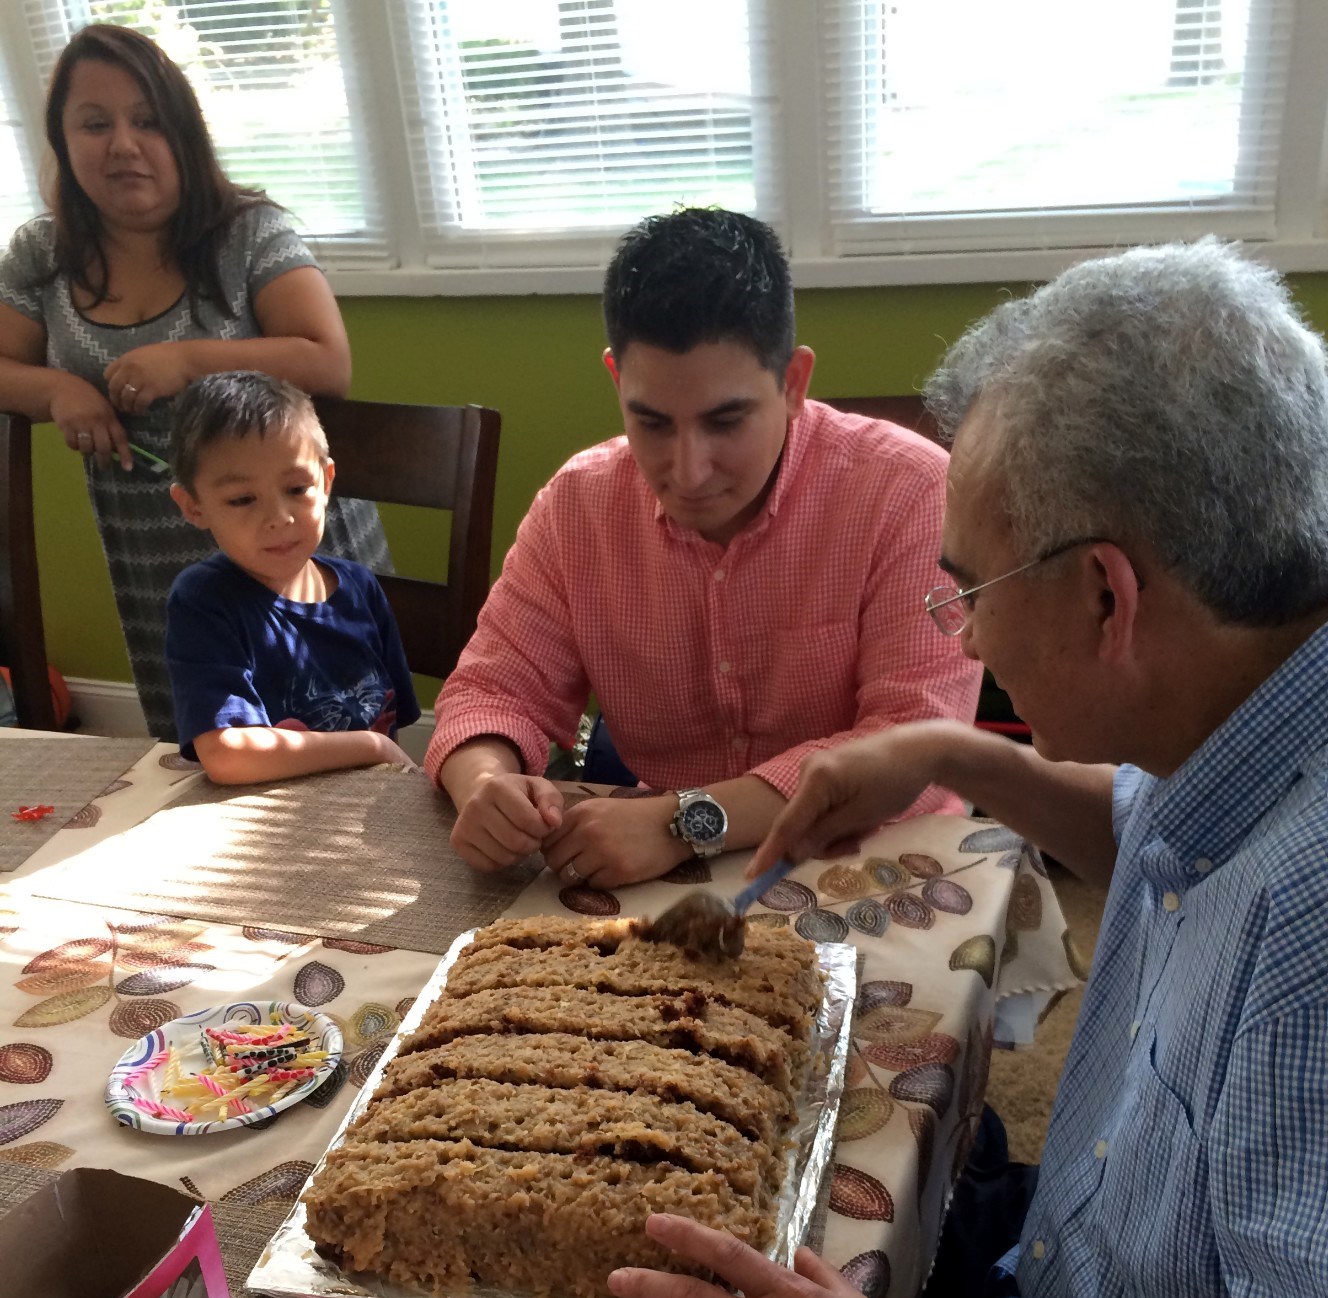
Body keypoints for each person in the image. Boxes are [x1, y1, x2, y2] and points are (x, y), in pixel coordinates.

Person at [607, 238, 1328, 1298]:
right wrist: (974, 756)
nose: (963, 630)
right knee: (829, 1216)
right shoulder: (1266, 693)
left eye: (968, 591)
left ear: (1103, 596)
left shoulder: (1325, 929)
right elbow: (1161, 823)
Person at [427, 206, 979, 889]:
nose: (687, 472)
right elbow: (493, 688)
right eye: (651, 422)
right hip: (656, 870)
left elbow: (917, 746)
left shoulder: (911, 492)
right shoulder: (578, 506)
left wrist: (684, 822)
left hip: (882, 855)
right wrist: (485, 781)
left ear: (794, 383)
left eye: (726, 421)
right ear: (615, 383)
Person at [0, 22, 388, 741]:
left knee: (328, 736)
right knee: (208, 746)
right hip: (155, 559)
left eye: (147, 121)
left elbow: (326, 359)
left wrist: (188, 362)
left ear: (184, 133)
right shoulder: (40, 253)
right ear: (61, 139)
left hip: (290, 541)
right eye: (95, 123)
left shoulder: (250, 232)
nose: (122, 144)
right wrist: (57, 391)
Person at [165, 371, 418, 785]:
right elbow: (226, 754)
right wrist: (369, 747)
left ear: (326, 481)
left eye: (297, 488)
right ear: (193, 506)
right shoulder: (203, 601)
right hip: (267, 819)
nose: (279, 518)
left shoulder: (361, 588)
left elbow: (393, 718)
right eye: (243, 499)